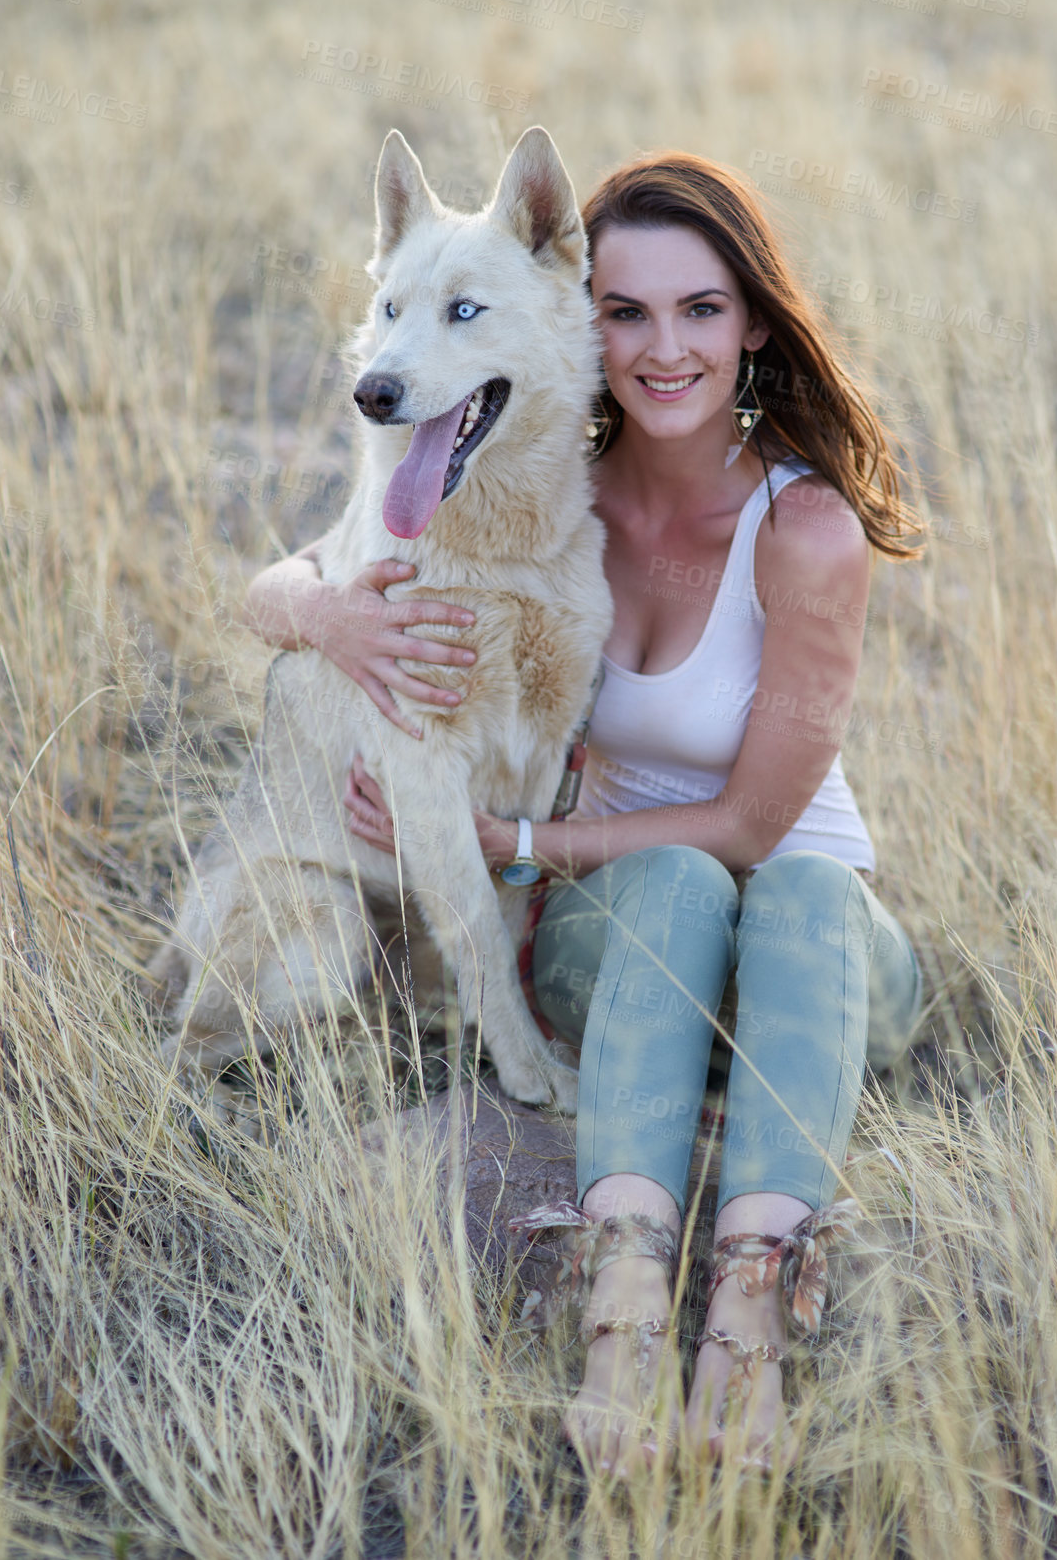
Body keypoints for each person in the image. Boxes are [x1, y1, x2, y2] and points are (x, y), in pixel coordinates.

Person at [241, 151, 925, 1480]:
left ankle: (748, 1317)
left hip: (821, 953)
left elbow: (744, 824)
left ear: (756, 327)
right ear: (582, 317)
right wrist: (330, 619)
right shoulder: (541, 479)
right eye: (629, 312)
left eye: (702, 311)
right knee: (674, 890)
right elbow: (284, 573)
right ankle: (622, 1325)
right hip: (629, 945)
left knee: (792, 884)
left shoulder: (809, 529)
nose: (663, 347)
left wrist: (513, 849)